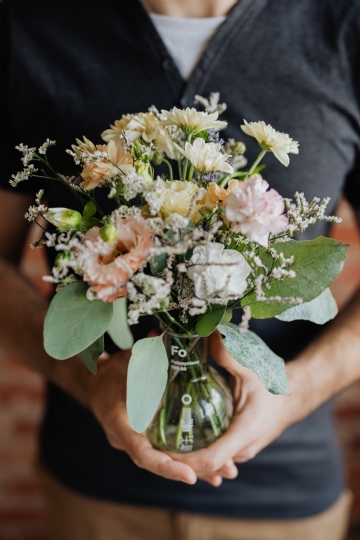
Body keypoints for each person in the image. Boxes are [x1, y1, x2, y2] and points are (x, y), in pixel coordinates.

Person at [0, 0, 359, 538]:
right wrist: (85, 380)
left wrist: (295, 393)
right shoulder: (31, 27)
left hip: (286, 499)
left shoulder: (343, 24)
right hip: (95, 493)